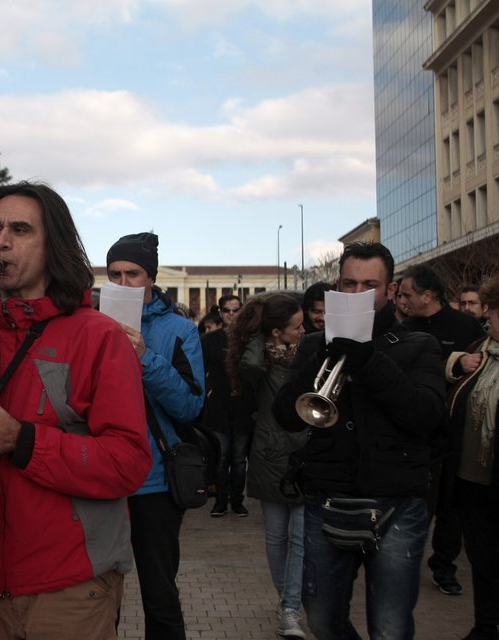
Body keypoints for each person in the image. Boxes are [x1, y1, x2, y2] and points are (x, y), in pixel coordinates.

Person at [0, 181, 151, 639]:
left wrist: (19, 440)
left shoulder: (99, 336)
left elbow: (129, 463)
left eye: (20, 229)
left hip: (71, 590)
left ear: (52, 245)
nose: (1, 240)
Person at [273, 242, 445, 638]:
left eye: (368, 285)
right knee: (321, 619)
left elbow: (425, 415)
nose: (356, 294)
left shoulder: (420, 345)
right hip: (328, 496)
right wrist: (323, 354)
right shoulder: (316, 344)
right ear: (336, 286)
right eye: (348, 284)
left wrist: (367, 359)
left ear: (389, 291)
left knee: (390, 626)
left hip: (398, 500)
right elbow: (286, 414)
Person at [106, 232, 205, 640]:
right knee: (99, 593)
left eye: (134, 273)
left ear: (151, 278)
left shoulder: (181, 329)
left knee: (160, 594)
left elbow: (190, 406)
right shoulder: (92, 325)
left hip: (156, 482)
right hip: (104, 478)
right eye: (115, 274)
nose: (124, 282)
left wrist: (145, 357)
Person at [399, 264, 485, 597]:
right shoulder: (404, 328)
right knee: (419, 502)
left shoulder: (467, 326)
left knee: (452, 504)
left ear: (427, 295)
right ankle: (406, 558)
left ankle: (444, 564)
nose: (402, 300)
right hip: (418, 431)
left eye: (407, 294)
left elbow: (478, 371)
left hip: (458, 431)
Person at [227, 293, 307, 639]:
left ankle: (290, 605)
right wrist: (260, 336)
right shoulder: (261, 361)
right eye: (296, 326)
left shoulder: (309, 353)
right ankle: (287, 602)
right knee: (277, 537)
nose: (304, 331)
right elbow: (248, 366)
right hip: (273, 453)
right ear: (275, 332)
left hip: (306, 455)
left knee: (299, 537)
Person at [442, 269, 499, 640]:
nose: (485, 314)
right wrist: (456, 364)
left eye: (494, 309)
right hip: (470, 479)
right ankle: (486, 626)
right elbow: (448, 384)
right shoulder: (479, 352)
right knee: (483, 560)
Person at [202, 294, 253, 517]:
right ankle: (221, 501)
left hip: (243, 406)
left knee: (240, 459)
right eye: (227, 310)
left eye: (235, 310)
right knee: (222, 458)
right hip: (218, 405)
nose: (231, 314)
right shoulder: (209, 340)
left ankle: (237, 500)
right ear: (221, 313)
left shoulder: (251, 340)